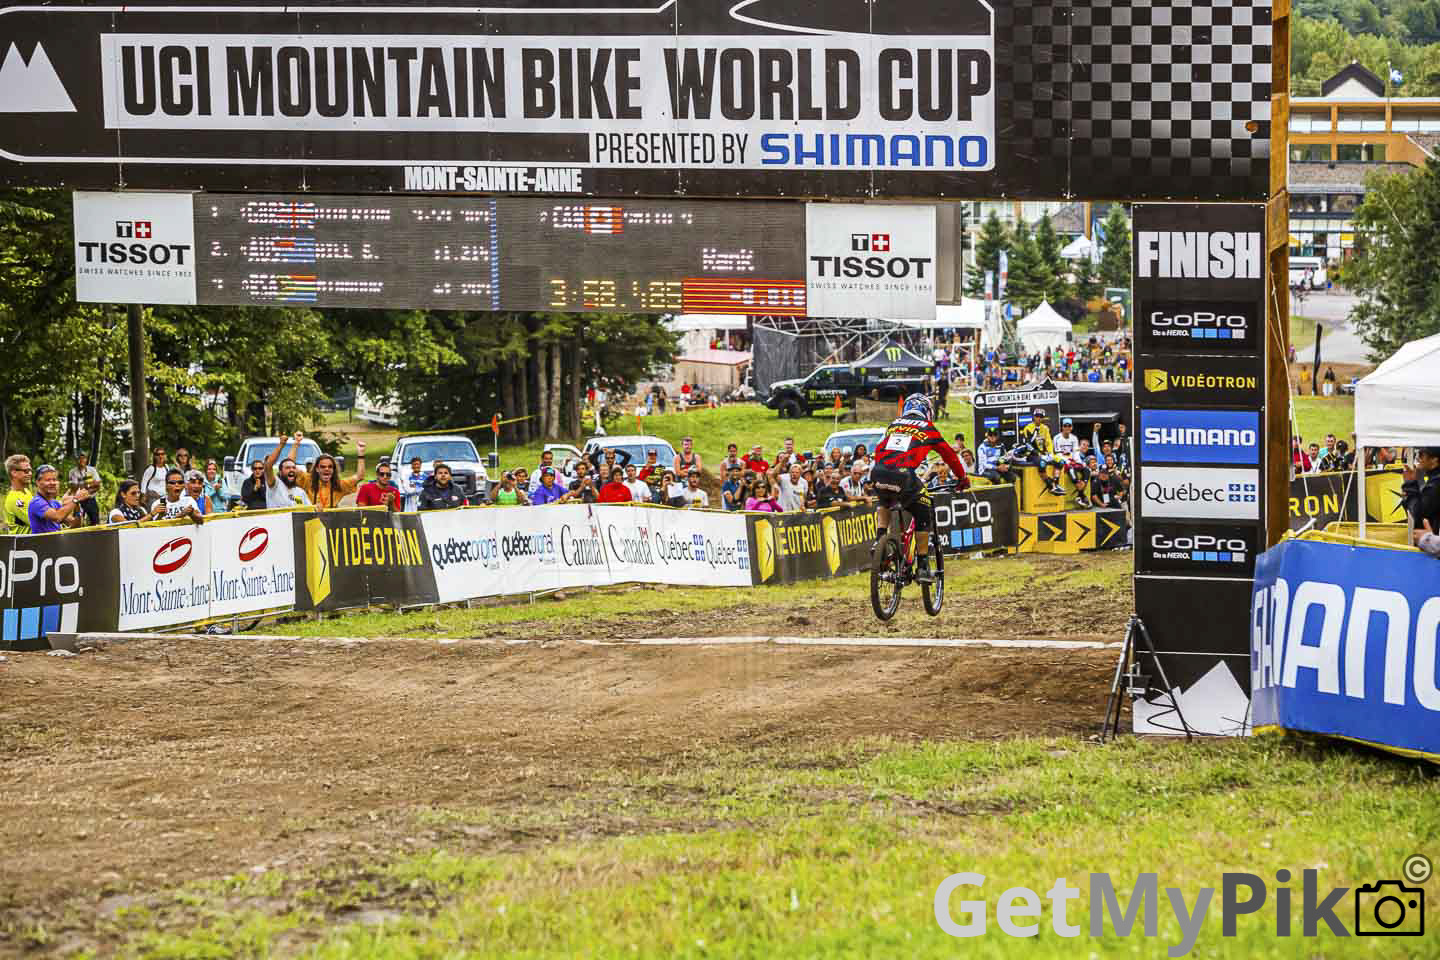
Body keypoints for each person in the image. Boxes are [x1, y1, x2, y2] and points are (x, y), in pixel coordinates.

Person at [870, 393, 967, 583]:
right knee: (923, 511)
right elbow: (950, 456)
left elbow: (879, 448)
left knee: (884, 499)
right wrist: (962, 478)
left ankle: (879, 539)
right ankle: (922, 566)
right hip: (903, 475)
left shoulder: (893, 424)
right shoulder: (928, 428)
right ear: (927, 411)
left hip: (878, 472)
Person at [27, 464, 91, 533]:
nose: (52, 483)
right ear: (38, 482)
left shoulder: (55, 503)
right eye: (48, 480)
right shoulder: (36, 502)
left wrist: (77, 507)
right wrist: (75, 499)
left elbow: (75, 525)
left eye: (54, 480)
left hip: (56, 539)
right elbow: (58, 517)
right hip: (42, 540)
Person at [1018, 409, 1065, 497]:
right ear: (1034, 417)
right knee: (1042, 464)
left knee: (1060, 461)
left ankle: (1056, 483)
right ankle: (1050, 485)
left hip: (1044, 453)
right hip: (1031, 454)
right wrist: (1037, 453)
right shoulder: (1028, 428)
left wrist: (1050, 453)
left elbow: (1048, 442)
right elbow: (1027, 444)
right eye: (1037, 416)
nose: (1039, 418)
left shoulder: (1045, 428)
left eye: (1041, 417)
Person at [261, 433, 313, 509]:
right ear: (280, 472)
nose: (291, 470)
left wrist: (296, 442)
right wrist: (281, 444)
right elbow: (268, 466)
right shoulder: (275, 486)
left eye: (293, 468)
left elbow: (310, 510)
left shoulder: (300, 492)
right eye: (287, 468)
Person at [307, 443, 367, 509]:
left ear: (334, 470)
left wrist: (361, 454)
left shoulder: (339, 485)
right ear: (317, 469)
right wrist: (297, 444)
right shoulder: (308, 482)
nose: (326, 469)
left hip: (332, 515)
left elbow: (359, 476)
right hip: (311, 515)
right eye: (323, 467)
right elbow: (296, 472)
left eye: (330, 467)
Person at [1401, 448, 1440, 534]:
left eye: (1422, 455)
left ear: (1434, 460)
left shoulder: (1436, 483)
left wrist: (1410, 484)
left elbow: (1418, 512)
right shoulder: (1434, 480)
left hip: (1432, 538)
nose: (1418, 459)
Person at [3, 454, 31, 534]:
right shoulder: (15, 499)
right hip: (24, 541)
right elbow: (37, 522)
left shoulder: (26, 491)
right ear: (14, 473)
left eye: (30, 470)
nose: (30, 473)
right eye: (26, 471)